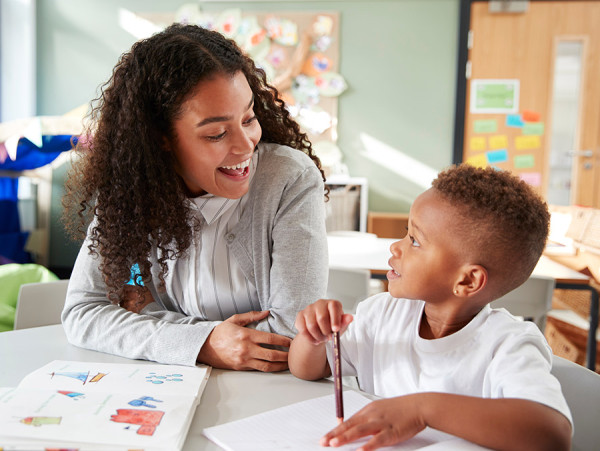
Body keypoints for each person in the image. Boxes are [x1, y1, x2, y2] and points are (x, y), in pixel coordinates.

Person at [61, 23, 329, 371]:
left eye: (248, 118)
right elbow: (84, 312)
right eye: (217, 133)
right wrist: (205, 342)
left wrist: (147, 318)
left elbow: (291, 335)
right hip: (165, 391)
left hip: (267, 396)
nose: (246, 145)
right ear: (161, 138)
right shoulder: (132, 190)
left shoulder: (288, 178)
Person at [289, 164, 572, 451]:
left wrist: (423, 409)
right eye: (406, 232)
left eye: (414, 241)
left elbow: (553, 435)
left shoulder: (507, 344)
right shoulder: (382, 314)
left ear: (467, 280)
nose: (395, 248)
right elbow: (310, 369)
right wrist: (312, 337)